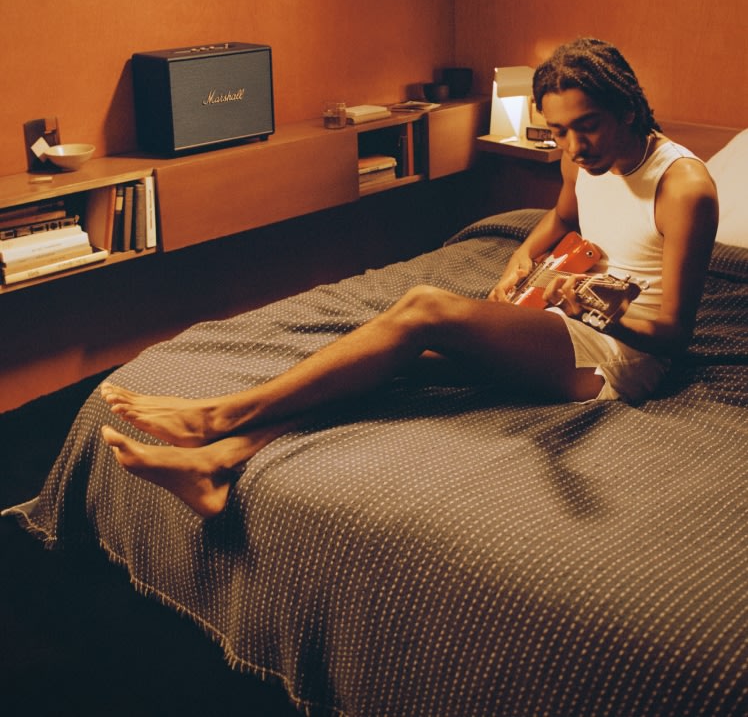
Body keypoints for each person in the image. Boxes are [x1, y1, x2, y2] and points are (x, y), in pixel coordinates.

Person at [101, 38, 719, 517]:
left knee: (425, 307)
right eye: (559, 131)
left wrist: (587, 306)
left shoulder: (684, 186)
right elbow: (561, 216)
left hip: (620, 358)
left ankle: (216, 417)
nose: (575, 146)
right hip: (563, 320)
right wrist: (522, 258)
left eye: (587, 126)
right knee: (389, 359)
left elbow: (672, 336)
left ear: (627, 107)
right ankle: (215, 465)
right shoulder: (579, 160)